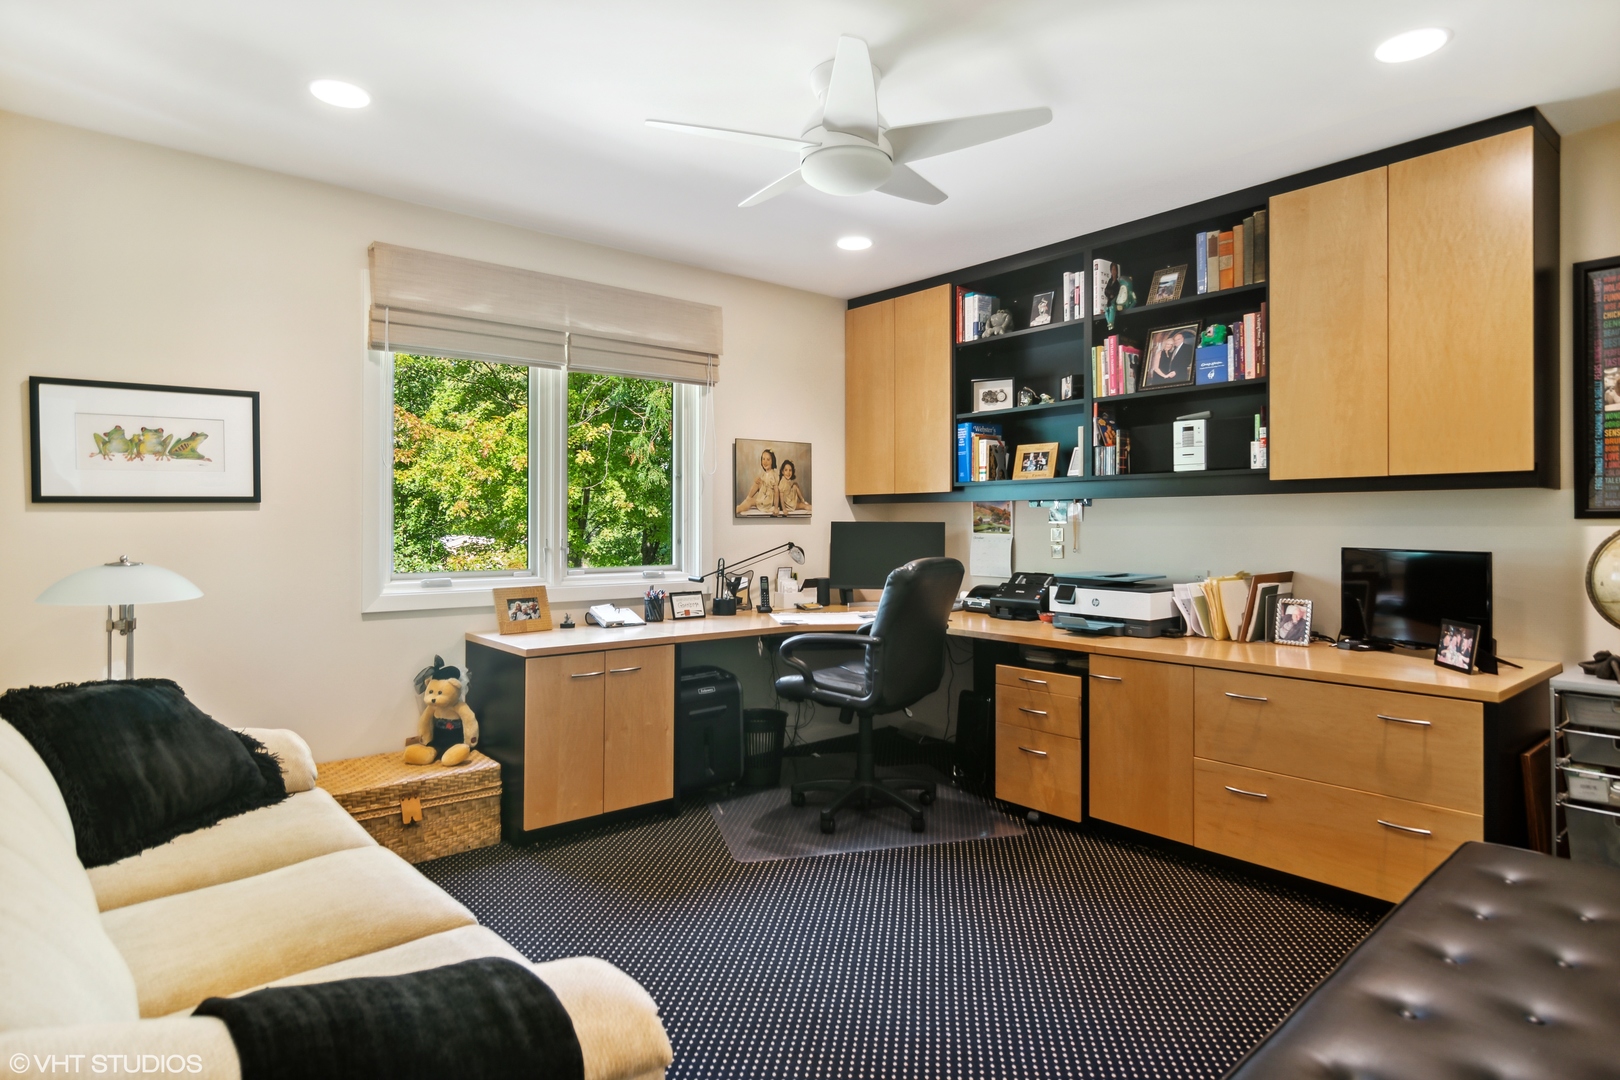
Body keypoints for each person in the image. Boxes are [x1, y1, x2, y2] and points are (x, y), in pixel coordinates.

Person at [736, 448, 780, 515]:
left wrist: (776, 508)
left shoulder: (773, 475)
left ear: (772, 461)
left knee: (750, 501)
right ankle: (747, 499)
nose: (765, 462)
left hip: (767, 501)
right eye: (763, 459)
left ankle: (741, 506)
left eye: (768, 460)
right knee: (757, 482)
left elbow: (776, 492)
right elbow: (763, 487)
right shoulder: (764, 474)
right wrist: (759, 482)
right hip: (764, 496)